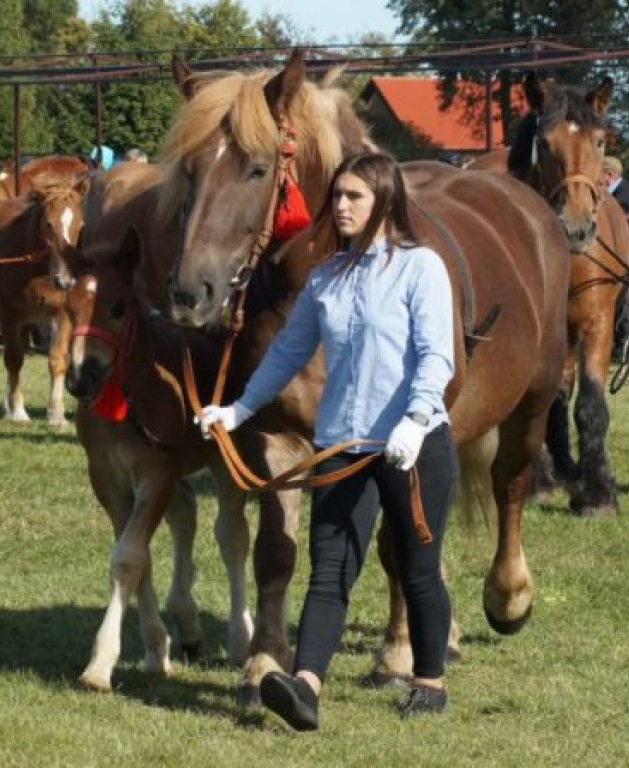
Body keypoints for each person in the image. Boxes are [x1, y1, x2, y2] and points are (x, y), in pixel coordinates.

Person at [198, 152, 458, 729]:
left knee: (417, 567)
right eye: (337, 195)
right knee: (330, 569)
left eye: (354, 197)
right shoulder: (325, 279)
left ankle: (430, 682)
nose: (340, 206)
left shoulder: (421, 268)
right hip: (343, 447)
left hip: (414, 446)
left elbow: (436, 355)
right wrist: (239, 410)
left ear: (384, 202)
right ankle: (305, 687)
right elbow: (287, 353)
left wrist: (416, 419)